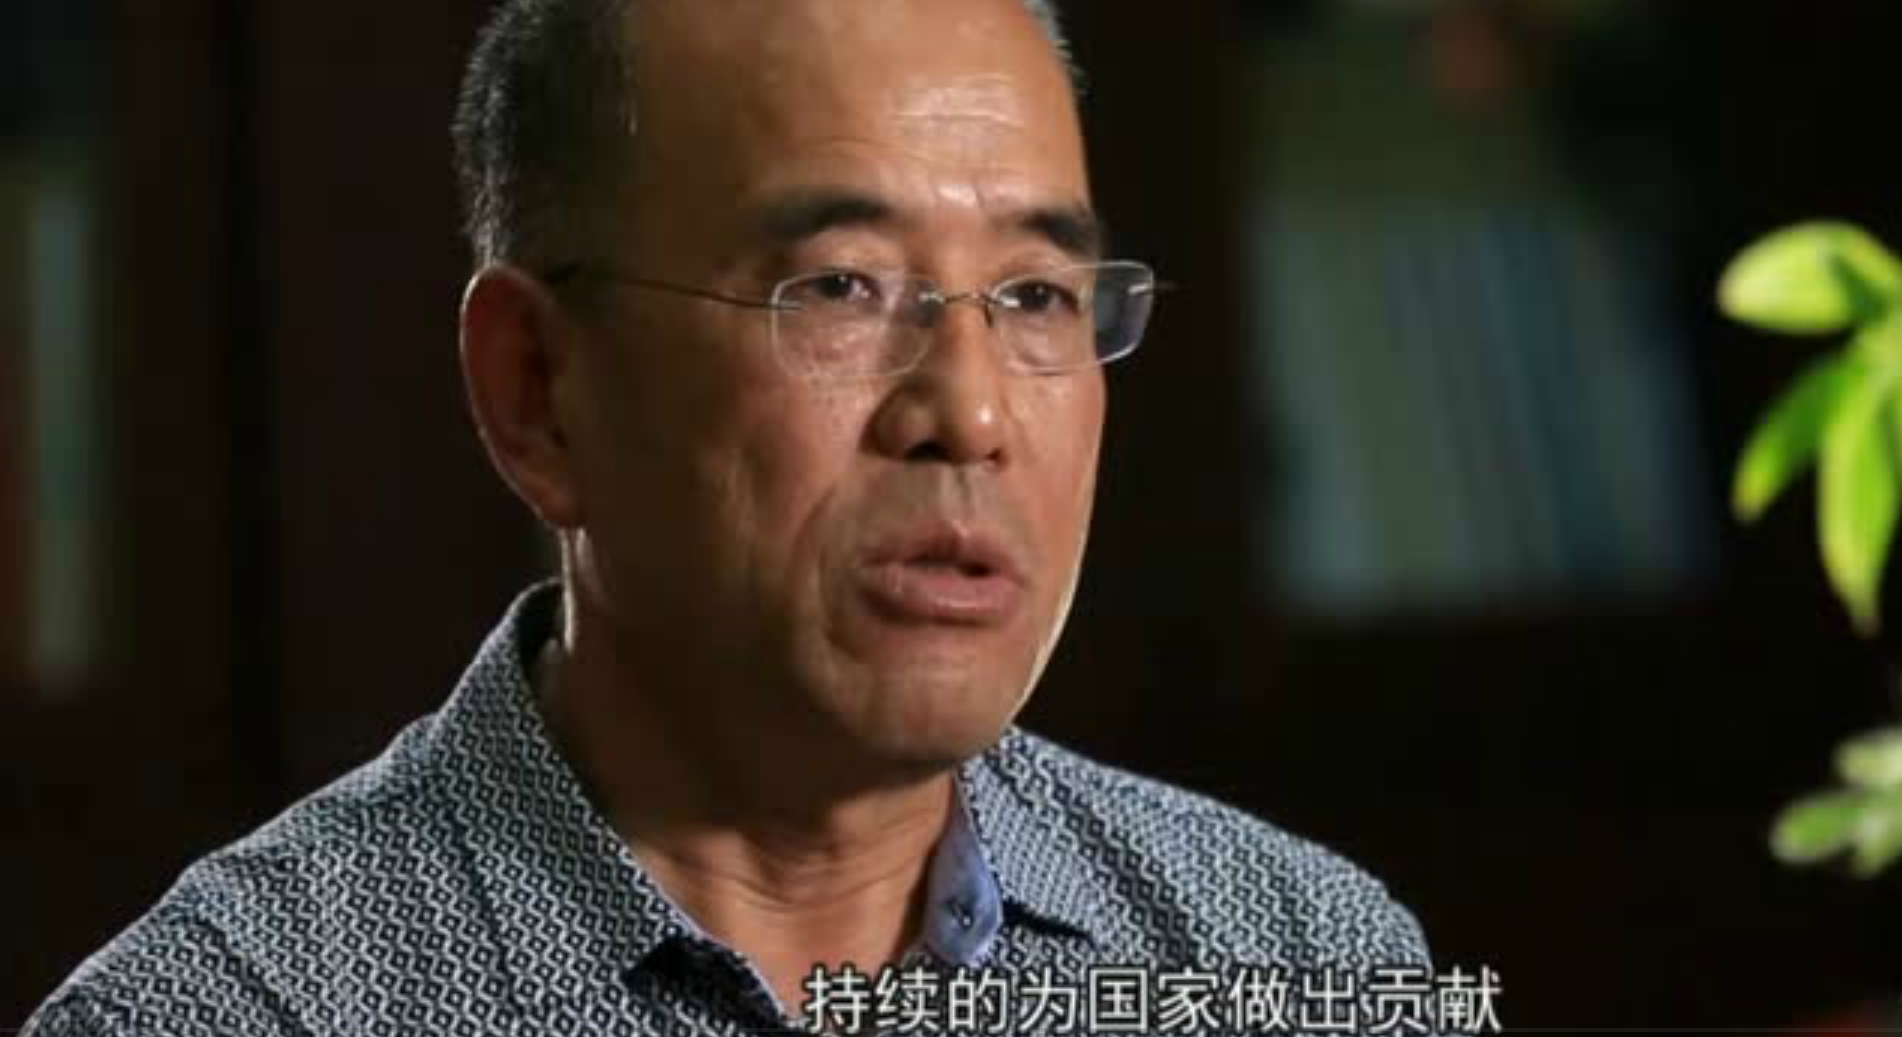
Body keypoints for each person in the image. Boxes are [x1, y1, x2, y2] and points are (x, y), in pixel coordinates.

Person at [25, 1, 1435, 1034]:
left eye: (1032, 296)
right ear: (538, 394)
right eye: (839, 287)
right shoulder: (236, 1011)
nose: (971, 410)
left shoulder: (1296, 956)